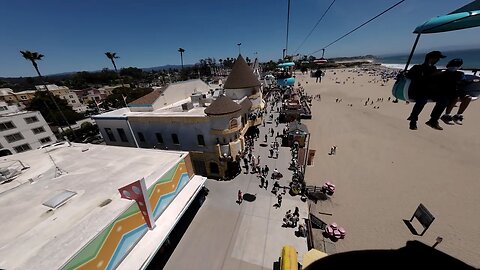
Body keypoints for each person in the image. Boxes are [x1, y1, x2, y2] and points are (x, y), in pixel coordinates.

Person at [406, 51, 447, 130]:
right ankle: (413, 120)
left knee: (444, 100)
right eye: (437, 58)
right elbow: (411, 78)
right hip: (418, 91)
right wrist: (431, 75)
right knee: (422, 100)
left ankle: (433, 120)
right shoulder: (417, 68)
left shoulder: (433, 68)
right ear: (431, 58)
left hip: (430, 91)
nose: (438, 60)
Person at [439, 58, 472, 125]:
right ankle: (446, 115)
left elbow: (464, 82)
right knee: (455, 97)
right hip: (447, 92)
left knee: (468, 98)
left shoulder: (460, 74)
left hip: (458, 91)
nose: (454, 67)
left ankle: (458, 115)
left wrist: (472, 81)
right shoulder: (443, 74)